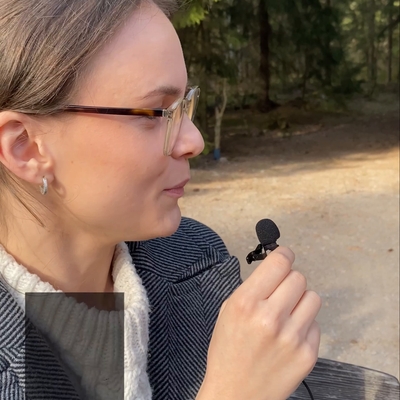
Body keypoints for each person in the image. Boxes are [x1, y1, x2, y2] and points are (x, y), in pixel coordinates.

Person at [0, 0, 322, 399]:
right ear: (26, 147)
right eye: (155, 112)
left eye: (185, 105)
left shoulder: (197, 259)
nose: (194, 141)